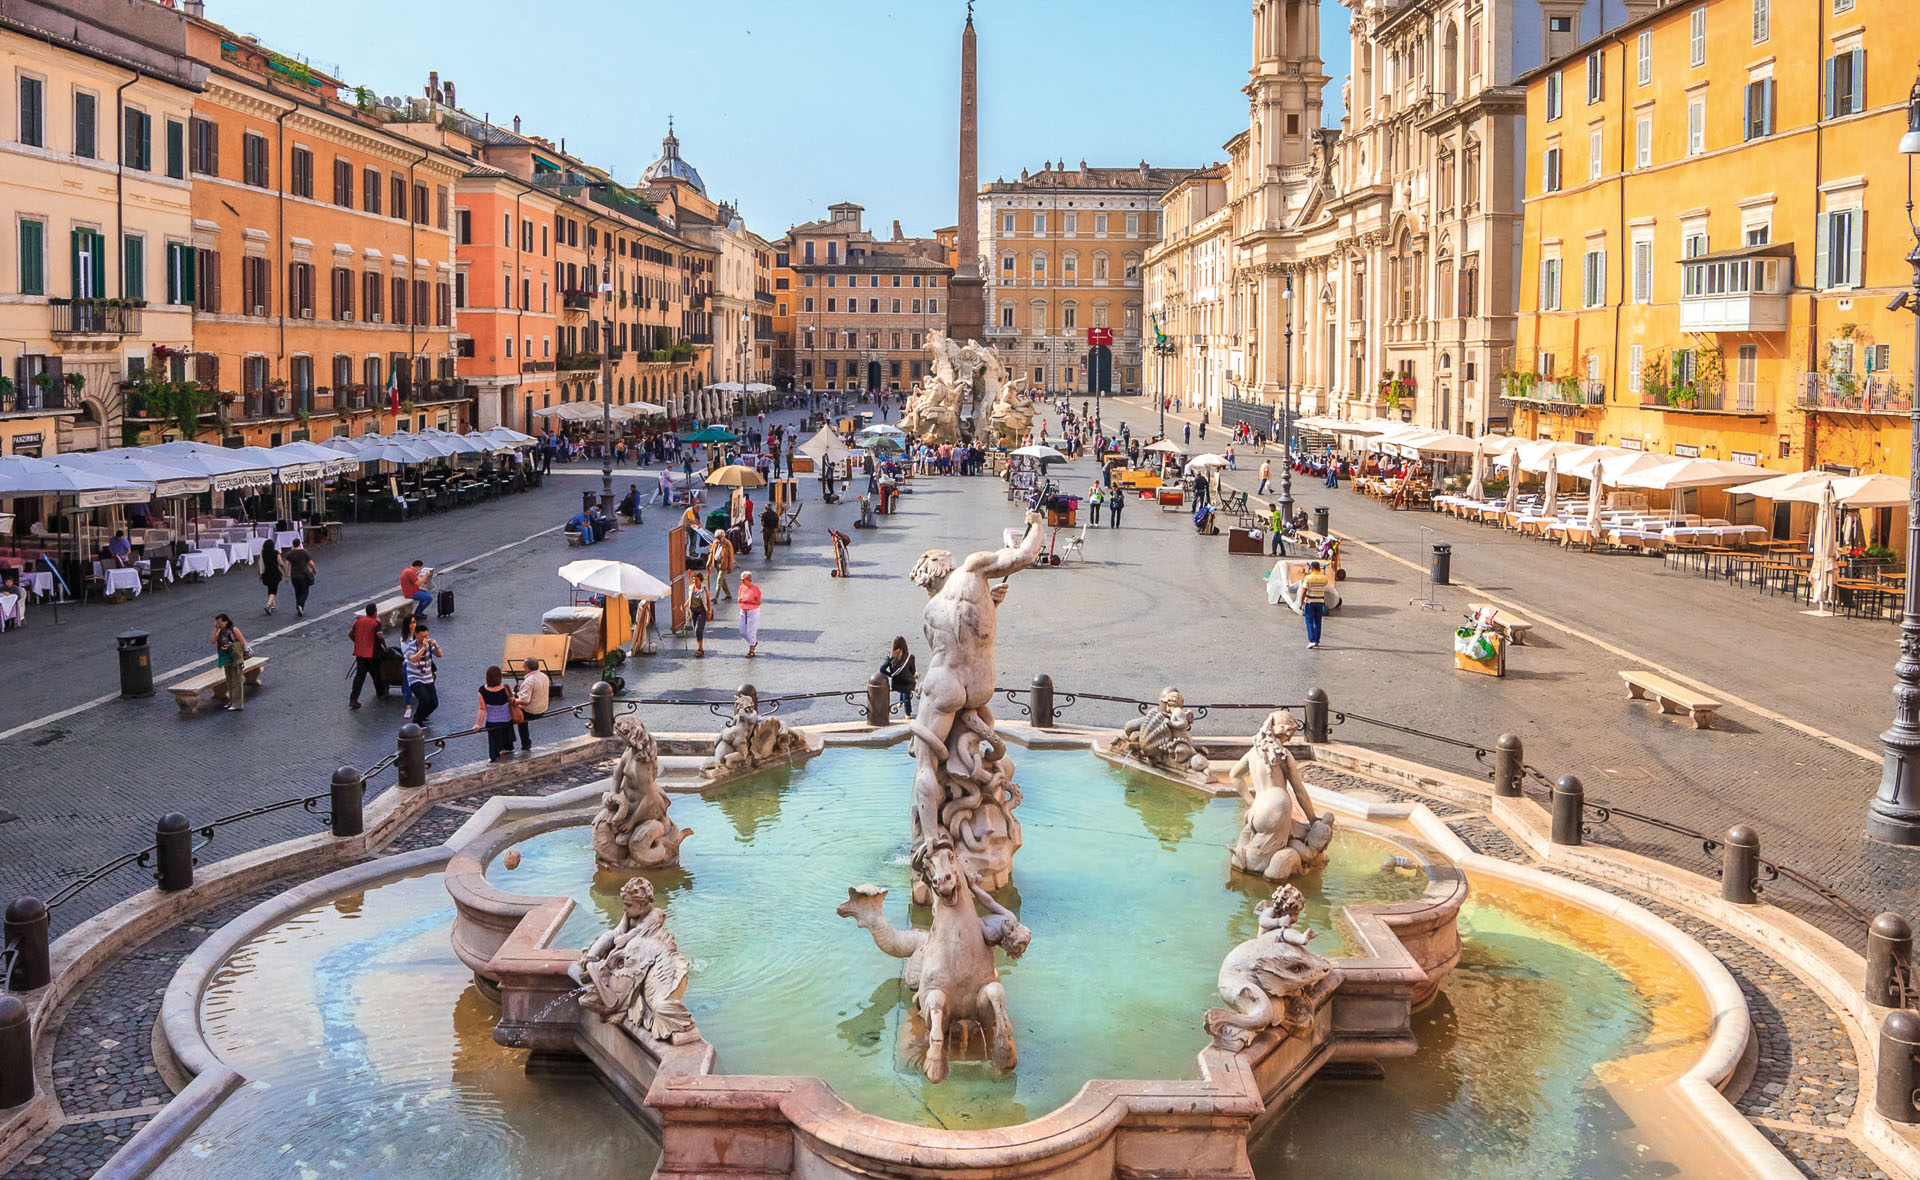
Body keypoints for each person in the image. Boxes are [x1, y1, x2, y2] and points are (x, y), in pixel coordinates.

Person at [348, 603, 388, 708]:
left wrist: (357, 642)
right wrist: (384, 646)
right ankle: (381, 693)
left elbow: (351, 634)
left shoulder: (358, 622)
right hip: (372, 654)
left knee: (359, 677)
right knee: (376, 674)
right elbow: (380, 636)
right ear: (375, 612)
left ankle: (353, 698)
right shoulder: (376, 623)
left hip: (360, 653)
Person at [476, 666, 519, 762]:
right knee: (507, 744)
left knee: (494, 744)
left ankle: (495, 757)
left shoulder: (482, 690)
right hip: (506, 721)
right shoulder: (506, 688)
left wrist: (478, 724)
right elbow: (513, 701)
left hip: (492, 722)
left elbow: (482, 709)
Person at [408, 622, 444, 727]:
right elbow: (413, 659)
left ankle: (423, 716)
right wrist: (423, 649)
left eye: (426, 636)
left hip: (427, 678)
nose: (425, 638)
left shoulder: (429, 645)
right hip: (415, 678)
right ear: (416, 634)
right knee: (424, 699)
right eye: (422, 636)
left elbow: (440, 655)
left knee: (434, 703)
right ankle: (416, 719)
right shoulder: (411, 646)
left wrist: (436, 646)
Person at [211, 613, 247, 712]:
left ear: (226, 621)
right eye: (217, 623)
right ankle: (232, 701)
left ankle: (238, 704)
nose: (218, 624)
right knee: (230, 681)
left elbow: (243, 642)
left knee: (236, 681)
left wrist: (230, 646)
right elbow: (212, 641)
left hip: (235, 658)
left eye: (219, 622)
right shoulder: (220, 631)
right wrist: (215, 629)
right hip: (226, 658)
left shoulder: (234, 629)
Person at [514, 657, 550, 751]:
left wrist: (513, 700)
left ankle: (513, 744)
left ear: (526, 668)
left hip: (532, 712)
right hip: (543, 708)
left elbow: (525, 701)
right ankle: (525, 743)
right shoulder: (544, 676)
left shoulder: (529, 681)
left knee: (511, 715)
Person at [881, 636, 917, 716]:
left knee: (903, 688)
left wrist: (891, 675)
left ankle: (900, 702)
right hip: (907, 682)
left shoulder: (890, 656)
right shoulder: (910, 657)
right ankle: (908, 714)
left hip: (896, 682)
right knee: (907, 695)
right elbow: (913, 671)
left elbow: (882, 669)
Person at [1300, 561, 1330, 650]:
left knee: (1309, 621)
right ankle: (1317, 640)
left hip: (1310, 602)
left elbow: (1304, 591)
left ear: (1312, 568)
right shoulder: (1324, 578)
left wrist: (1301, 602)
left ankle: (1312, 640)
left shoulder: (1308, 578)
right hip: (1320, 602)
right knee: (1318, 621)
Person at [284, 538, 316, 616]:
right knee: (305, 591)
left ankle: (299, 606)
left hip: (294, 575)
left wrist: (286, 576)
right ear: (299, 544)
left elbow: (287, 566)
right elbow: (311, 563)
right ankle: (301, 605)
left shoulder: (289, 554)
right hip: (303, 574)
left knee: (297, 592)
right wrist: (314, 569)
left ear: (293, 544)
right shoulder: (305, 552)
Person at [737, 570, 761, 658]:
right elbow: (739, 598)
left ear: (748, 579)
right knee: (742, 631)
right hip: (743, 611)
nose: (742, 582)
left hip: (753, 611)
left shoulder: (755, 589)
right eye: (741, 580)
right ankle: (753, 642)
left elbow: (758, 602)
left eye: (743, 580)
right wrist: (741, 600)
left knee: (751, 631)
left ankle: (751, 650)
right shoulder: (741, 587)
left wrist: (748, 601)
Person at [687, 572, 712, 657]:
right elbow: (689, 598)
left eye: (696, 579)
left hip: (702, 611)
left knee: (699, 629)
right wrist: (684, 605)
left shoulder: (704, 589)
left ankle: (700, 649)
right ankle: (700, 647)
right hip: (693, 611)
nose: (694, 581)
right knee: (695, 630)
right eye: (693, 579)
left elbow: (708, 600)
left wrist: (709, 611)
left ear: (700, 580)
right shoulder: (690, 588)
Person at [400, 559, 432, 625]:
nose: (420, 569)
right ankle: (418, 613)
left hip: (411, 590)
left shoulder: (408, 570)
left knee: (426, 594)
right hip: (410, 593)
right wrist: (425, 575)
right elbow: (418, 583)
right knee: (429, 598)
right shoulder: (410, 572)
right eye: (420, 568)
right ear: (417, 566)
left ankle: (419, 611)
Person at [259, 536, 285, 614]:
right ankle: (268, 605)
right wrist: (286, 570)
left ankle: (273, 605)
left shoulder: (263, 554)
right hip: (275, 573)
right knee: (273, 591)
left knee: (270, 588)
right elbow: (281, 563)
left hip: (266, 574)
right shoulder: (276, 553)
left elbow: (260, 564)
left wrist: (260, 574)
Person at [707, 529, 734, 602]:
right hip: (716, 564)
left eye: (719, 538)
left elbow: (731, 557)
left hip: (724, 565)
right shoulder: (715, 543)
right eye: (716, 538)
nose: (717, 539)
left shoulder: (728, 544)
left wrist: (730, 568)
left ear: (723, 536)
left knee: (719, 580)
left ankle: (715, 598)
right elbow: (711, 553)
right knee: (723, 580)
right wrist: (708, 563)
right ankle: (728, 595)